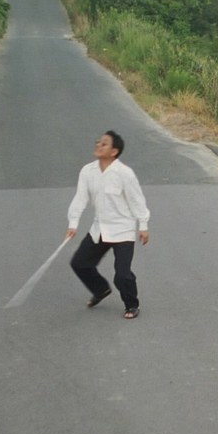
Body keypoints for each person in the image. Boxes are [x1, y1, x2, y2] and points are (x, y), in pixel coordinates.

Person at [66, 130, 150, 319]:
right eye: (98, 142)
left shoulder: (124, 173)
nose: (98, 145)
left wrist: (143, 225)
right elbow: (80, 197)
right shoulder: (88, 171)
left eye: (104, 144)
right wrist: (73, 223)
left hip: (123, 229)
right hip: (100, 229)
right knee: (79, 263)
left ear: (114, 151)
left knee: (122, 275)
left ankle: (132, 304)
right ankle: (101, 289)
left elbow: (137, 200)